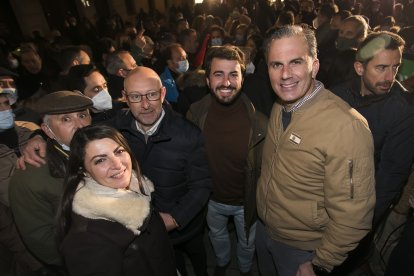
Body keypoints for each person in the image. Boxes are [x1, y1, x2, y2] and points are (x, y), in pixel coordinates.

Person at [255, 25, 376, 276]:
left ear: (315, 66)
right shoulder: (281, 104)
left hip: (304, 251)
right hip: (266, 232)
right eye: (276, 65)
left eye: (296, 62)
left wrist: (321, 263)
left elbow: (354, 215)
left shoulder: (346, 126)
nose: (285, 74)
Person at [113, 66, 211, 276]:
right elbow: (78, 125)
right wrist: (34, 135)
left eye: (152, 95)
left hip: (186, 224)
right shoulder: (117, 126)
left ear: (163, 93)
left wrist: (175, 218)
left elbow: (202, 184)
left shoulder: (189, 135)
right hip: (147, 226)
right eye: (136, 97)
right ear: (125, 98)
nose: (146, 105)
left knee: (198, 257)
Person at [187, 45, 268, 276]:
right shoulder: (194, 114)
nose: (226, 82)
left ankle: (244, 269)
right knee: (217, 235)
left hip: (247, 203)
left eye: (233, 74)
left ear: (243, 78)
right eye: (218, 74)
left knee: (247, 242)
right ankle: (222, 263)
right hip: (211, 200)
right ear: (207, 80)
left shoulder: (260, 123)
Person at [58, 125, 177, 276]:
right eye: (100, 160)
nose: (117, 164)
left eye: (119, 152)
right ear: (83, 171)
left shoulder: (137, 188)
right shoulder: (87, 238)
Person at [331, 31, 414, 226]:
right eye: (382, 68)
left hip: (357, 212)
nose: (390, 77)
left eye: (395, 68)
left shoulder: (404, 112)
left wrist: (360, 226)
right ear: (360, 68)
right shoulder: (335, 95)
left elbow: (390, 177)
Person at [9, 91, 93, 271]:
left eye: (83, 115)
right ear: (47, 130)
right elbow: (42, 239)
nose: (80, 125)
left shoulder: (109, 150)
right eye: (66, 119)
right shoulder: (30, 175)